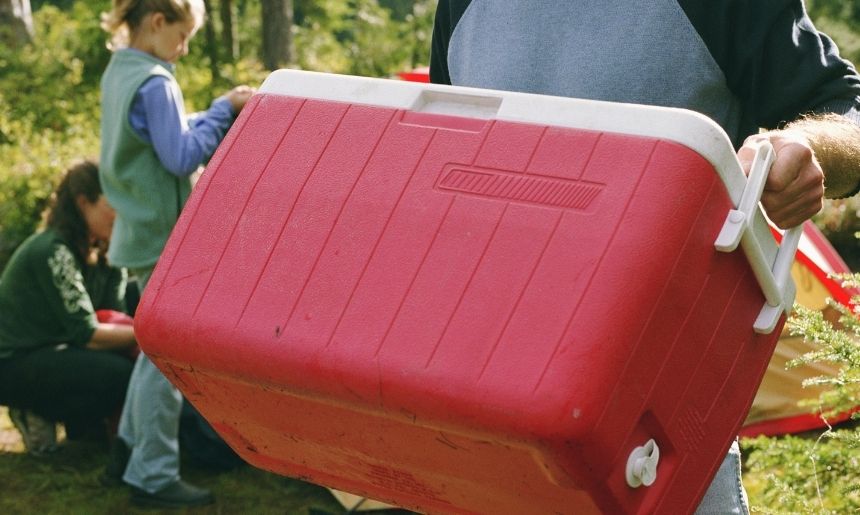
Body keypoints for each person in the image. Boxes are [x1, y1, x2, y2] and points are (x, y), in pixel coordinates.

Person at [430, 2, 860, 513]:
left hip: (662, 443)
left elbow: (846, 109)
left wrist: (805, 144)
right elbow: (444, 152)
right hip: (485, 426)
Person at [98, 0, 254, 508]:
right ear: (158, 23)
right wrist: (222, 110)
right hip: (162, 237)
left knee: (151, 355)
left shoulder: (121, 71)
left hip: (136, 231)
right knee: (170, 362)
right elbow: (182, 154)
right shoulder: (157, 81)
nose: (184, 50)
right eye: (183, 36)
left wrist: (200, 115)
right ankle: (155, 474)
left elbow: (155, 137)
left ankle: (126, 452)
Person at [0, 160, 136, 456]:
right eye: (112, 203)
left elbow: (115, 315)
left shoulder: (103, 249)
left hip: (59, 348)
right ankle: (34, 408)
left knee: (139, 299)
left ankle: (85, 427)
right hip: (14, 360)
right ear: (83, 203)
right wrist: (151, 337)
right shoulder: (53, 250)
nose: (121, 212)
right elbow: (88, 334)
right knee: (120, 373)